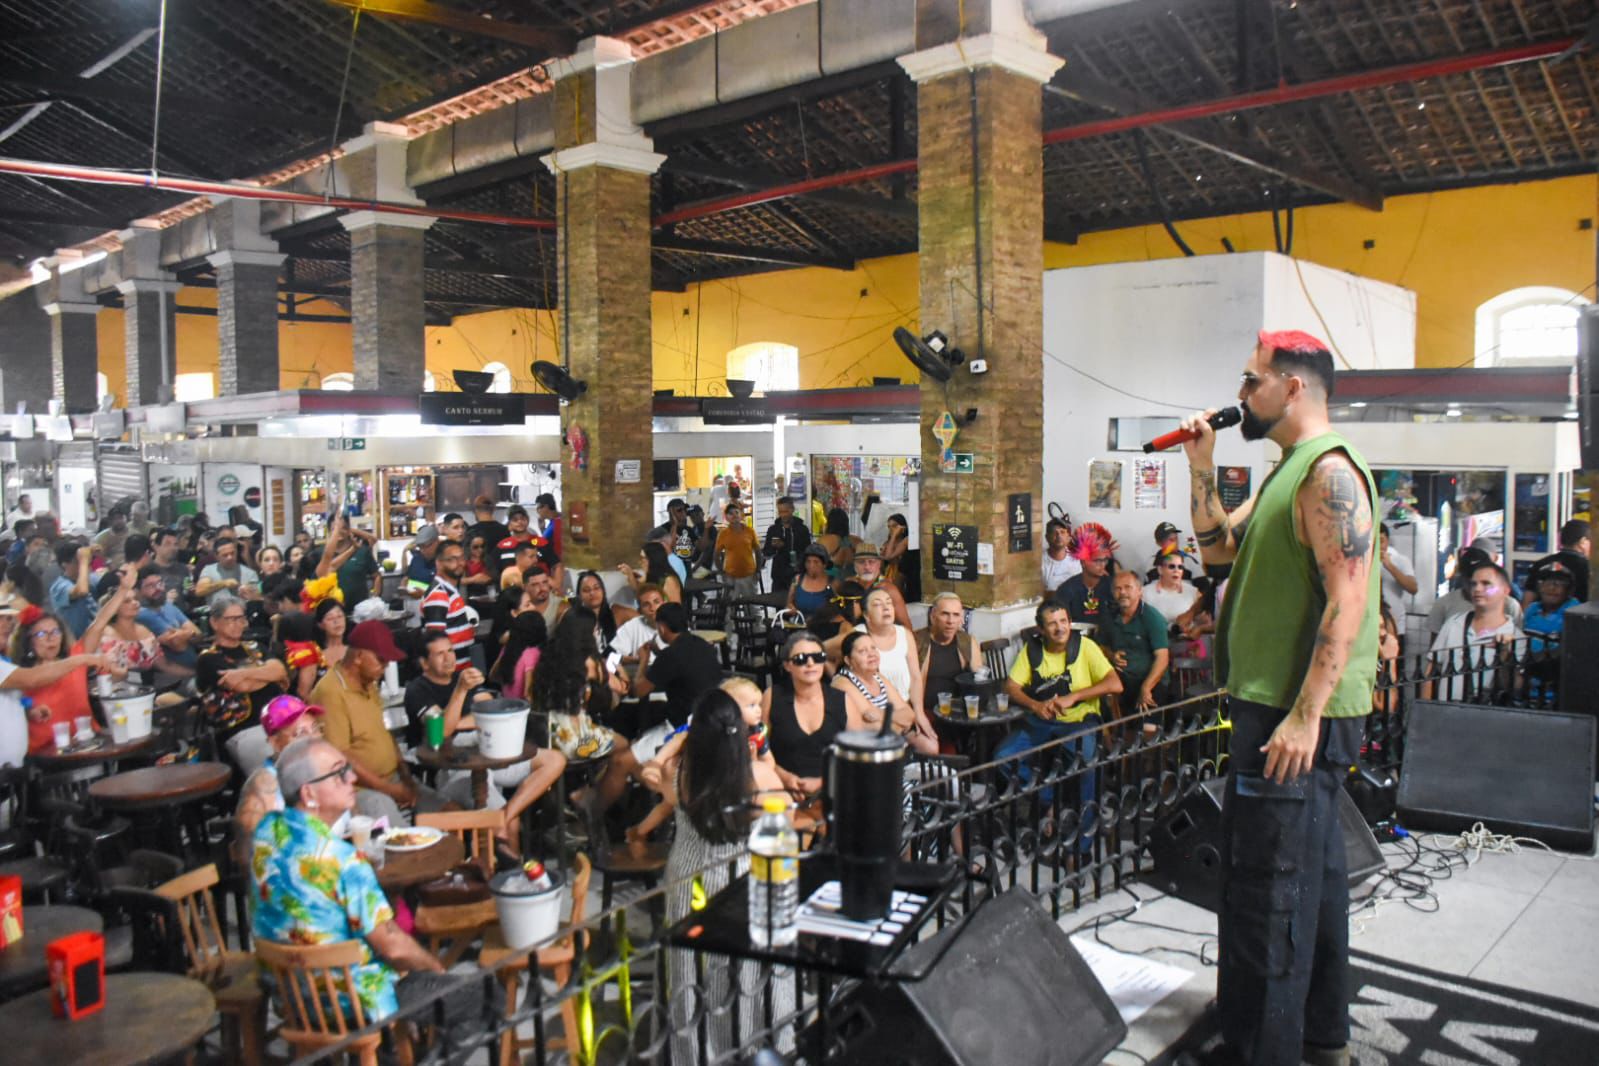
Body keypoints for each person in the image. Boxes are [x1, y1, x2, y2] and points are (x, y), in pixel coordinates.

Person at [1178, 328, 1380, 1066]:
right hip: (1280, 707)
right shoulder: (1288, 471)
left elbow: (1347, 601)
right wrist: (1201, 469)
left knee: (1268, 891)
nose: (1239, 395)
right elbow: (1216, 554)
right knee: (1313, 882)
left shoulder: (1328, 474)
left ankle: (1260, 1050)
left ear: (1292, 387)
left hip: (1291, 713)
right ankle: (1322, 1037)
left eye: (1250, 380)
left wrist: (1303, 714)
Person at [252, 737, 495, 1041]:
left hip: (290, 995)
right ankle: (425, 1055)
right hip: (351, 1003)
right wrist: (435, 968)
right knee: (488, 995)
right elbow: (393, 946)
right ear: (308, 794)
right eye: (339, 773)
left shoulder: (266, 834)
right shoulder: (343, 861)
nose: (352, 778)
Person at [663, 688, 796, 1065]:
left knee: (691, 975)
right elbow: (786, 822)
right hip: (742, 882)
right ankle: (755, 1048)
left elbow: (660, 778)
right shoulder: (760, 777)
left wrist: (681, 742)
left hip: (689, 881)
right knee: (747, 975)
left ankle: (694, 1054)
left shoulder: (680, 773)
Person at [406, 632, 566, 852]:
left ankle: (504, 815)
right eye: (439, 654)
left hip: (489, 756)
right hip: (452, 769)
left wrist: (458, 721)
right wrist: (461, 692)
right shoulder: (418, 690)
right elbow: (442, 731)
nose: (449, 658)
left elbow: (492, 712)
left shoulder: (464, 677)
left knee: (555, 759)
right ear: (424, 663)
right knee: (511, 826)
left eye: (450, 650)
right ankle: (506, 862)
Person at [313, 620, 446, 826]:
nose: (385, 667)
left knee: (451, 811)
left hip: (393, 779)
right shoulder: (330, 692)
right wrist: (390, 790)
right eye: (381, 660)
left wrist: (405, 775)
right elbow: (340, 757)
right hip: (359, 790)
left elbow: (383, 733)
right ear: (358, 657)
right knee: (407, 838)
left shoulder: (369, 683)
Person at [996, 601, 1120, 805]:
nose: (1060, 628)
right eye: (1052, 623)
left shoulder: (1085, 646)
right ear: (1041, 629)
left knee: (1086, 762)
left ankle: (1086, 820)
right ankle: (1050, 801)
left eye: (1063, 621)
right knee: (1004, 758)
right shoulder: (1032, 650)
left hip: (1078, 722)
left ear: (1070, 623)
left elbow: (1115, 684)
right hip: (1041, 722)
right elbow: (1010, 687)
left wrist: (1074, 696)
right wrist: (1035, 705)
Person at [6, 603, 120, 760]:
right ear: (29, 641)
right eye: (42, 634)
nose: (51, 638)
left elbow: (100, 622)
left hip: (88, 749)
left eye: (56, 631)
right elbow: (14, 709)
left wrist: (122, 591)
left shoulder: (75, 657)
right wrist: (29, 712)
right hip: (44, 757)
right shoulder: (20, 675)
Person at [763, 630, 848, 798]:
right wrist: (784, 777)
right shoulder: (772, 697)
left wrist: (823, 782)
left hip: (834, 791)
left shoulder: (841, 699)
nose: (810, 663)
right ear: (787, 665)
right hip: (781, 792)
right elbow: (758, 750)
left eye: (818, 657)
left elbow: (857, 754)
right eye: (801, 659)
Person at [234, 694, 325, 850]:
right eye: (301, 733)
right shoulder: (265, 787)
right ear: (275, 743)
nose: (313, 738)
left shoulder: (323, 768)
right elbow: (248, 853)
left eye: (315, 728)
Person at [197, 592, 288, 743]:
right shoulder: (209, 658)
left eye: (241, 618)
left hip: (279, 717)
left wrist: (243, 673)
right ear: (214, 622)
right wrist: (267, 674)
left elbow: (280, 671)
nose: (238, 624)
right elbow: (243, 686)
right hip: (243, 727)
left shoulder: (255, 646)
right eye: (231, 619)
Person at [1427, 561, 1523, 703]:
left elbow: (1515, 687)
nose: (1477, 589)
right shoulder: (1454, 623)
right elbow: (1431, 671)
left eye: (1486, 584)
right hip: (1446, 711)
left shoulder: (1516, 637)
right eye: (1473, 584)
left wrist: (1505, 656)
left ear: (1505, 590)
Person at [632, 603, 722, 750]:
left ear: (661, 627)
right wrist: (659, 652)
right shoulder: (703, 645)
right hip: (712, 717)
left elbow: (639, 691)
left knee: (623, 758)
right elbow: (683, 665)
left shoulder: (670, 655)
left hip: (684, 726)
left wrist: (643, 659)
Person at [835, 630, 938, 753]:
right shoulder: (842, 682)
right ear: (848, 660)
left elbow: (909, 714)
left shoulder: (877, 677)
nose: (871, 654)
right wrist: (901, 724)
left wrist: (880, 714)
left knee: (930, 746)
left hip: (889, 735)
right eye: (862, 651)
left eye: (873, 648)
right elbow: (873, 727)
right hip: (865, 744)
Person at [1098, 569, 1170, 720]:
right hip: (1121, 682)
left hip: (1151, 681)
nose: (1123, 592)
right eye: (1118, 588)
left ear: (1139, 591)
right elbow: (1100, 647)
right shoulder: (1109, 617)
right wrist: (1111, 655)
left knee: (1147, 727)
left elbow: (1162, 658)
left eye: (1128, 587)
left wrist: (1146, 687)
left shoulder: (1152, 618)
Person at [1426, 545, 1523, 640]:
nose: (1477, 588)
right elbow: (1435, 645)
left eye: (1484, 582)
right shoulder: (1444, 604)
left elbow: (1519, 642)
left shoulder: (1510, 605)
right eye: (1472, 581)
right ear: (1461, 576)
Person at [95, 574, 181, 679]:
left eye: (135, 598)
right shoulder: (106, 633)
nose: (135, 603)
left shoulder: (144, 630)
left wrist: (194, 674)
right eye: (127, 601)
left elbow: (164, 666)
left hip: (147, 685)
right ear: (114, 608)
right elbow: (108, 673)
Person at [914, 591, 976, 716]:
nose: (950, 621)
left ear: (961, 619)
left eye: (956, 615)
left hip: (958, 712)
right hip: (925, 712)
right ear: (933, 616)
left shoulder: (967, 641)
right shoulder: (916, 641)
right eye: (945, 614)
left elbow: (978, 679)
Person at [1522, 562, 1577, 702]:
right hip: (1526, 683)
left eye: (1559, 583)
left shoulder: (1573, 612)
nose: (1552, 588)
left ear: (1569, 589)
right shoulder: (1533, 609)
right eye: (1546, 582)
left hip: (1555, 688)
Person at [421, 539, 474, 671]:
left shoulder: (449, 589)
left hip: (461, 667)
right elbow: (435, 641)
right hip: (451, 671)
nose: (460, 563)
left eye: (461, 558)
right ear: (438, 563)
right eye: (452, 559)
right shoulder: (438, 594)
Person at [1052, 522, 1117, 630]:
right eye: (1097, 561)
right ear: (1083, 562)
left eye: (1104, 560)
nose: (1102, 564)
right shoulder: (1067, 589)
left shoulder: (1113, 586)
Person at [489, 602, 545, 701]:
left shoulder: (508, 648)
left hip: (505, 702)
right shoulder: (533, 654)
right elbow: (528, 694)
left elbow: (493, 676)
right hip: (521, 707)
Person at [1526, 519, 1590, 606]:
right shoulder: (1589, 568)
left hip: (1543, 614)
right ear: (1582, 542)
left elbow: (1528, 599)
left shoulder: (1541, 564)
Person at [848, 543, 912, 629]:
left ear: (879, 564)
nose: (867, 567)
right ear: (855, 565)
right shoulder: (849, 584)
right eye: (861, 562)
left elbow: (906, 626)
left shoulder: (889, 589)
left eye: (871, 562)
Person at [1377, 524, 1418, 644]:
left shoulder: (1400, 560)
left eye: (1381, 541)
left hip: (1394, 625)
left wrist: (1390, 566)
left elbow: (1413, 588)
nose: (1379, 546)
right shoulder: (1363, 561)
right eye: (1375, 542)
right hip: (1370, 626)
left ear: (1388, 540)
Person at [762, 496, 813, 594]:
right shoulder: (773, 529)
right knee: (778, 602)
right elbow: (767, 552)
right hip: (778, 576)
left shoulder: (802, 529)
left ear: (792, 509)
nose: (783, 515)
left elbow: (807, 552)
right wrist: (773, 547)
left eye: (786, 511)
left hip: (796, 574)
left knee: (796, 601)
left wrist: (785, 546)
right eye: (780, 512)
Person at [1143, 550, 1201, 629]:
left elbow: (1205, 620)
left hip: (1185, 636)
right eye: (1171, 566)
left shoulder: (1193, 592)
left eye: (1180, 567)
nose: (1176, 570)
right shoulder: (1144, 593)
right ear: (1160, 570)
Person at [714, 502, 761, 598]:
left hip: (749, 574)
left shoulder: (750, 531)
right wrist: (722, 572)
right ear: (726, 518)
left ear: (741, 515)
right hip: (730, 575)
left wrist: (758, 571)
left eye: (736, 512)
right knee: (731, 604)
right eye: (730, 513)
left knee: (751, 603)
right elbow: (716, 555)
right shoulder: (723, 534)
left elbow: (758, 551)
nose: (734, 515)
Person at [49, 542, 95, 639]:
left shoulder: (89, 580)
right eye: (77, 561)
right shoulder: (59, 586)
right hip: (76, 641)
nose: (86, 565)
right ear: (64, 564)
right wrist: (83, 561)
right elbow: (82, 591)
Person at [195, 538, 261, 601]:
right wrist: (223, 584)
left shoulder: (250, 573)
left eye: (232, 553)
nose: (230, 557)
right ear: (216, 556)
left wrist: (249, 592)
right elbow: (199, 591)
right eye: (225, 555)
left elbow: (258, 597)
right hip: (217, 608)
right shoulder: (209, 570)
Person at [620, 542, 683, 606]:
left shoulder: (669, 580)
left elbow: (676, 607)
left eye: (642, 558)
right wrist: (630, 574)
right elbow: (638, 589)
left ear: (653, 559)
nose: (640, 562)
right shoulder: (650, 576)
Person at [335, 524, 383, 608]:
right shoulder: (326, 554)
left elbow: (377, 576)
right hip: (334, 608)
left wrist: (374, 600)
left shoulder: (363, 551)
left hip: (360, 607)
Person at [466, 496, 510, 575]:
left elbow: (467, 556)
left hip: (476, 575)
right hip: (500, 574)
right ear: (493, 510)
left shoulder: (471, 531)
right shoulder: (505, 530)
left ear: (476, 510)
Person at [788, 543, 833, 621]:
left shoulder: (832, 583)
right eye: (808, 561)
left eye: (816, 562)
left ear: (824, 564)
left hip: (823, 625)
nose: (811, 565)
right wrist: (791, 608)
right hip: (800, 625)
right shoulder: (797, 579)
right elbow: (789, 603)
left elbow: (840, 608)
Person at [1040, 517, 1081, 595]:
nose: (1059, 535)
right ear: (1047, 537)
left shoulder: (1076, 560)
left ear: (1069, 538)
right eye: (1054, 532)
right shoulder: (1040, 562)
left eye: (1062, 532)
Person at [403, 524, 441, 603]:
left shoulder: (444, 562)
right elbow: (407, 577)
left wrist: (425, 593)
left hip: (434, 604)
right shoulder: (417, 558)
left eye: (426, 546)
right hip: (411, 603)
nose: (423, 550)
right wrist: (403, 586)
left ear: (437, 542)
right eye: (420, 547)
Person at [817, 507, 860, 576]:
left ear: (830, 523)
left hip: (830, 580)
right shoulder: (857, 541)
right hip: (851, 580)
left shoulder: (824, 540)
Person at [534, 493, 562, 559]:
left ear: (546, 507)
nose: (537, 511)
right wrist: (542, 529)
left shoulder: (557, 522)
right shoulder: (554, 521)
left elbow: (543, 543)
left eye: (538, 508)